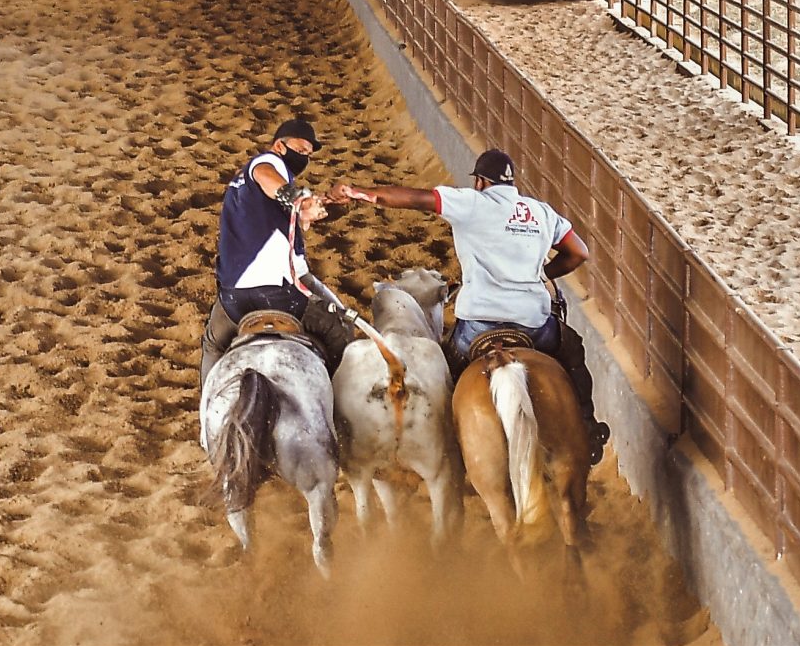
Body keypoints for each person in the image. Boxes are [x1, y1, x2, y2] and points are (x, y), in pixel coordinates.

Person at [333, 148, 610, 465]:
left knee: (445, 372)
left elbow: (414, 198)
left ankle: (448, 444)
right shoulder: (541, 212)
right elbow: (579, 253)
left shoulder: (470, 202)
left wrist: (363, 194)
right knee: (573, 351)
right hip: (534, 323)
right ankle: (587, 427)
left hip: (478, 325)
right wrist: (543, 274)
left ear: (480, 182)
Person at [200, 119, 354, 383]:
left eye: (309, 154)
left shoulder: (243, 186)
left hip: (233, 297)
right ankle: (339, 402)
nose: (305, 156)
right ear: (279, 146)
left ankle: (206, 412)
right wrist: (299, 200)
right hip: (281, 293)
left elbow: (293, 205)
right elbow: (268, 178)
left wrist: (324, 200)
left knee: (213, 344)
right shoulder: (268, 163)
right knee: (342, 331)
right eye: (301, 149)